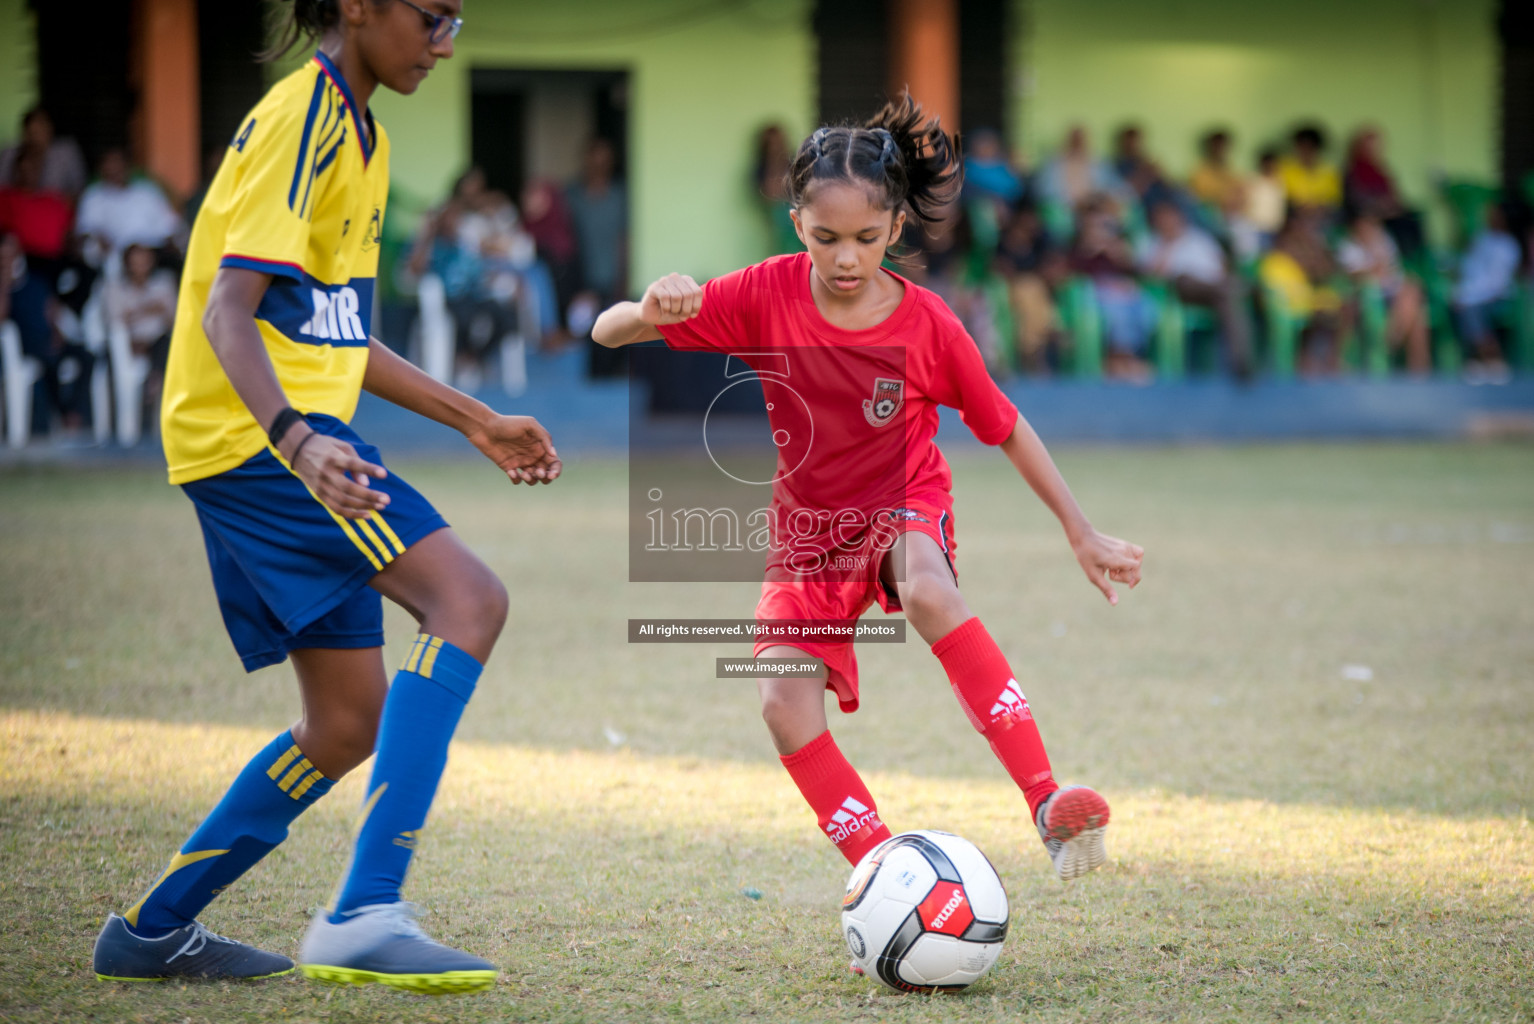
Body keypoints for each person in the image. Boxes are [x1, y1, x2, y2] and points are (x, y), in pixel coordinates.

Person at [90, 0, 561, 994]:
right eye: (431, 16)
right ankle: (365, 909)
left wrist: (472, 417)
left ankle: (151, 929)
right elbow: (230, 311)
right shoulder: (300, 119)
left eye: (458, 21)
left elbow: (337, 331)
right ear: (356, 5)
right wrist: (297, 441)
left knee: (348, 720)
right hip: (254, 439)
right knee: (467, 600)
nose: (444, 42)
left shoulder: (363, 131)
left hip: (284, 435)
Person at [593, 97, 1143, 903]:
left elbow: (1006, 425)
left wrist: (1080, 530)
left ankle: (1045, 801)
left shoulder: (929, 325)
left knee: (925, 586)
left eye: (863, 238)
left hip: (901, 501)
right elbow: (607, 334)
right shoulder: (764, 294)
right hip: (808, 534)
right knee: (782, 707)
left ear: (894, 229)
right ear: (795, 226)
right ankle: (889, 879)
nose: (845, 258)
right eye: (825, 239)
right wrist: (649, 308)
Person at [1140, 200, 1253, 378]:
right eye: (1163, 218)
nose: (1169, 222)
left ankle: (1242, 364)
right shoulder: (1151, 241)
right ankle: (1243, 288)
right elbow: (1152, 275)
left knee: (1228, 300)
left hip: (1213, 288)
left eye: (1172, 217)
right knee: (1220, 288)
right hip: (1181, 287)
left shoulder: (1199, 238)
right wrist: (1167, 245)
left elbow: (1220, 265)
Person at [1336, 209, 1429, 373]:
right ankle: (1390, 343)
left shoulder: (1383, 239)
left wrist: (1376, 261)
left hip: (1391, 293)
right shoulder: (1348, 246)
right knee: (1414, 312)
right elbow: (1354, 275)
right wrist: (1373, 267)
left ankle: (1397, 345)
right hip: (1367, 298)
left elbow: (1391, 270)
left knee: (1413, 298)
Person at [104, 243, 179, 416]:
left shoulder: (163, 284)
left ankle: (153, 383)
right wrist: (149, 308)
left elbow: (174, 320)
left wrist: (138, 312)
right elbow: (115, 321)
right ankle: (151, 386)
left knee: (167, 343)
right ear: (127, 263)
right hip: (128, 344)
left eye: (145, 261)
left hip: (158, 341)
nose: (141, 266)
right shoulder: (115, 287)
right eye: (136, 261)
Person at [74, 147, 183, 264]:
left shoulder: (147, 191)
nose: (114, 169)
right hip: (113, 260)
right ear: (101, 169)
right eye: (109, 165)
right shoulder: (93, 196)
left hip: (153, 256)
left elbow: (171, 227)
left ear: (128, 166)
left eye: (118, 163)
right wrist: (96, 238)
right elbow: (85, 232)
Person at [1452, 201, 1522, 381]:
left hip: (1496, 296)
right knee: (1466, 307)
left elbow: (1497, 281)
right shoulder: (1480, 238)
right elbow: (1469, 268)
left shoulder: (1509, 244)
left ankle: (1489, 357)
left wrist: (1472, 295)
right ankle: (1484, 359)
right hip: (1473, 293)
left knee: (1471, 309)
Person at [0, 107, 88, 201]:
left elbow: (79, 189)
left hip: (55, 210)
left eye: (39, 132)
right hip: (18, 207)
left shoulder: (66, 153)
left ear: (50, 129)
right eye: (32, 133)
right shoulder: (11, 154)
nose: (35, 139)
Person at [1278, 124, 1341, 218]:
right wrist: (1302, 207)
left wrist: (1317, 207)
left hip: (1323, 217)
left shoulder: (1329, 172)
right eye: (1302, 147)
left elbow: (1334, 200)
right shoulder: (1285, 169)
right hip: (1294, 217)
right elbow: (1282, 198)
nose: (1305, 152)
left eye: (1310, 147)